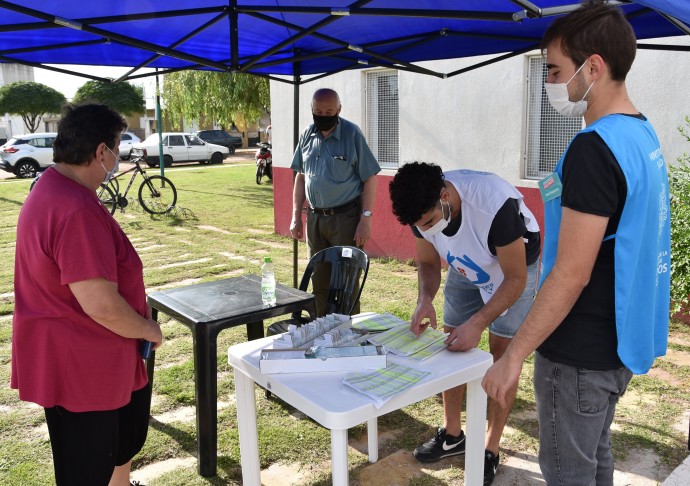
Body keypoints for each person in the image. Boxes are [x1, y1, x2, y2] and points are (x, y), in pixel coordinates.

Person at [482, 1, 671, 485]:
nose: (549, 82)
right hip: (616, 343)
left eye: (554, 70)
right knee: (595, 460)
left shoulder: (596, 147)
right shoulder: (642, 133)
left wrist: (514, 356)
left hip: (578, 352)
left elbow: (572, 271)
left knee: (569, 473)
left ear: (594, 67)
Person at [11, 104, 163, 486]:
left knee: (109, 451)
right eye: (116, 148)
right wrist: (147, 328)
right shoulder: (74, 208)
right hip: (84, 365)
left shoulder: (51, 186)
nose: (117, 158)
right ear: (100, 152)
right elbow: (101, 304)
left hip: (73, 357)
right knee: (87, 467)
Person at [389, 162, 541, 485]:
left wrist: (479, 323)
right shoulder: (422, 211)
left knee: (503, 354)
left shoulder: (493, 207)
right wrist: (425, 298)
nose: (427, 230)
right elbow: (429, 262)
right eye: (420, 226)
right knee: (452, 341)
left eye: (430, 222)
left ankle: (490, 447)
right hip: (467, 263)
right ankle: (453, 434)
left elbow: (514, 280)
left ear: (445, 196)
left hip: (512, 265)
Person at [290, 88, 380, 316]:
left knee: (346, 283)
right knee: (318, 281)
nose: (323, 115)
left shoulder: (352, 134)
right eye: (318, 111)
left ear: (339, 110)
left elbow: (369, 176)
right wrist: (295, 217)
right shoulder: (307, 135)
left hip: (346, 220)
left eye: (329, 111)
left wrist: (366, 219)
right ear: (312, 110)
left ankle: (347, 336)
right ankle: (322, 331)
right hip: (315, 219)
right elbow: (301, 176)